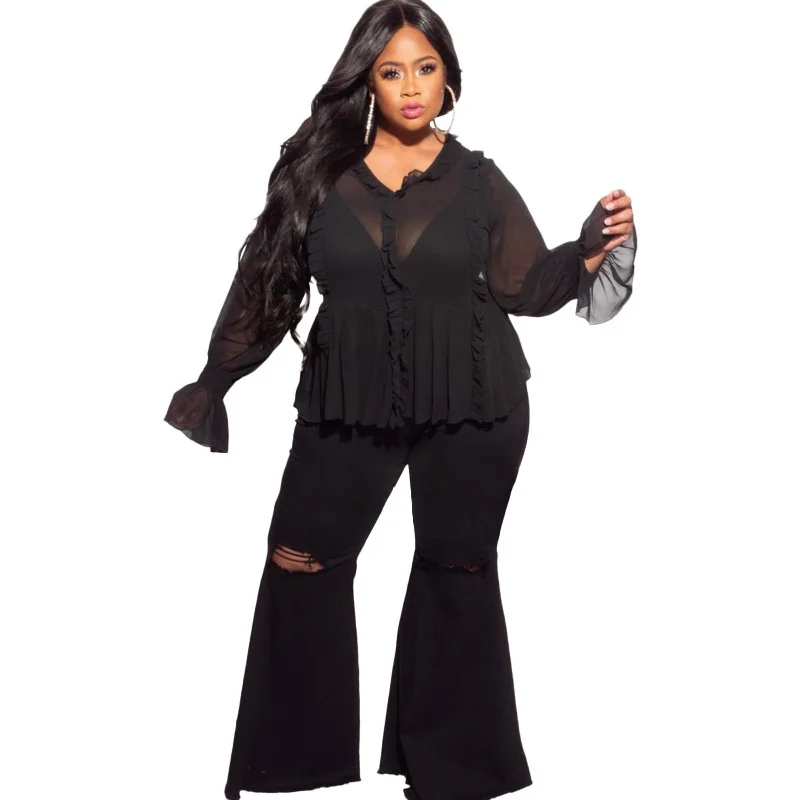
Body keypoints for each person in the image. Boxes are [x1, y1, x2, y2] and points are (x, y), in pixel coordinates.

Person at [164, 1, 637, 798]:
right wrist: (215, 379)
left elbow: (523, 287)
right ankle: (293, 768)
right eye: (392, 71)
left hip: (476, 400)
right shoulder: (316, 173)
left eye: (426, 68)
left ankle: (451, 774)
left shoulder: (477, 178)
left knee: (457, 567)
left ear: (448, 78)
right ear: (368, 81)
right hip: (349, 399)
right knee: (301, 559)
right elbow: (267, 287)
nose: (412, 87)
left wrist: (588, 248)